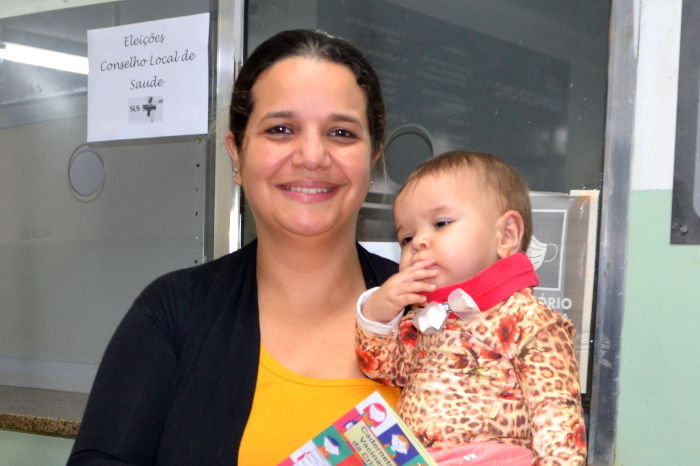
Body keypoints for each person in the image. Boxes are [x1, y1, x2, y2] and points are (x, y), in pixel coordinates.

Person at [68, 30, 400, 466]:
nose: (313, 155)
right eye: (281, 129)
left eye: (341, 132)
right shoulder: (175, 313)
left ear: (373, 159)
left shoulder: (437, 317)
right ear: (237, 155)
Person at [356, 151, 587, 466]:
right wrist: (378, 314)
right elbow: (383, 369)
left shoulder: (530, 322)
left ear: (506, 235)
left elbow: (557, 417)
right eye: (406, 238)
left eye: (440, 223)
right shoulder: (423, 318)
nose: (419, 242)